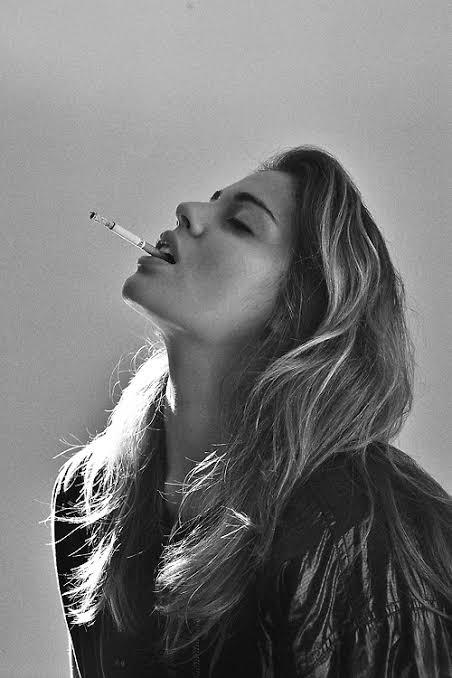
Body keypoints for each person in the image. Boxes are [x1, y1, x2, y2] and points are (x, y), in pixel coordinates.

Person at [51, 145, 452, 677]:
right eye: (213, 201)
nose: (187, 210)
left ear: (298, 310)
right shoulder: (91, 495)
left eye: (240, 223)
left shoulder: (363, 530)